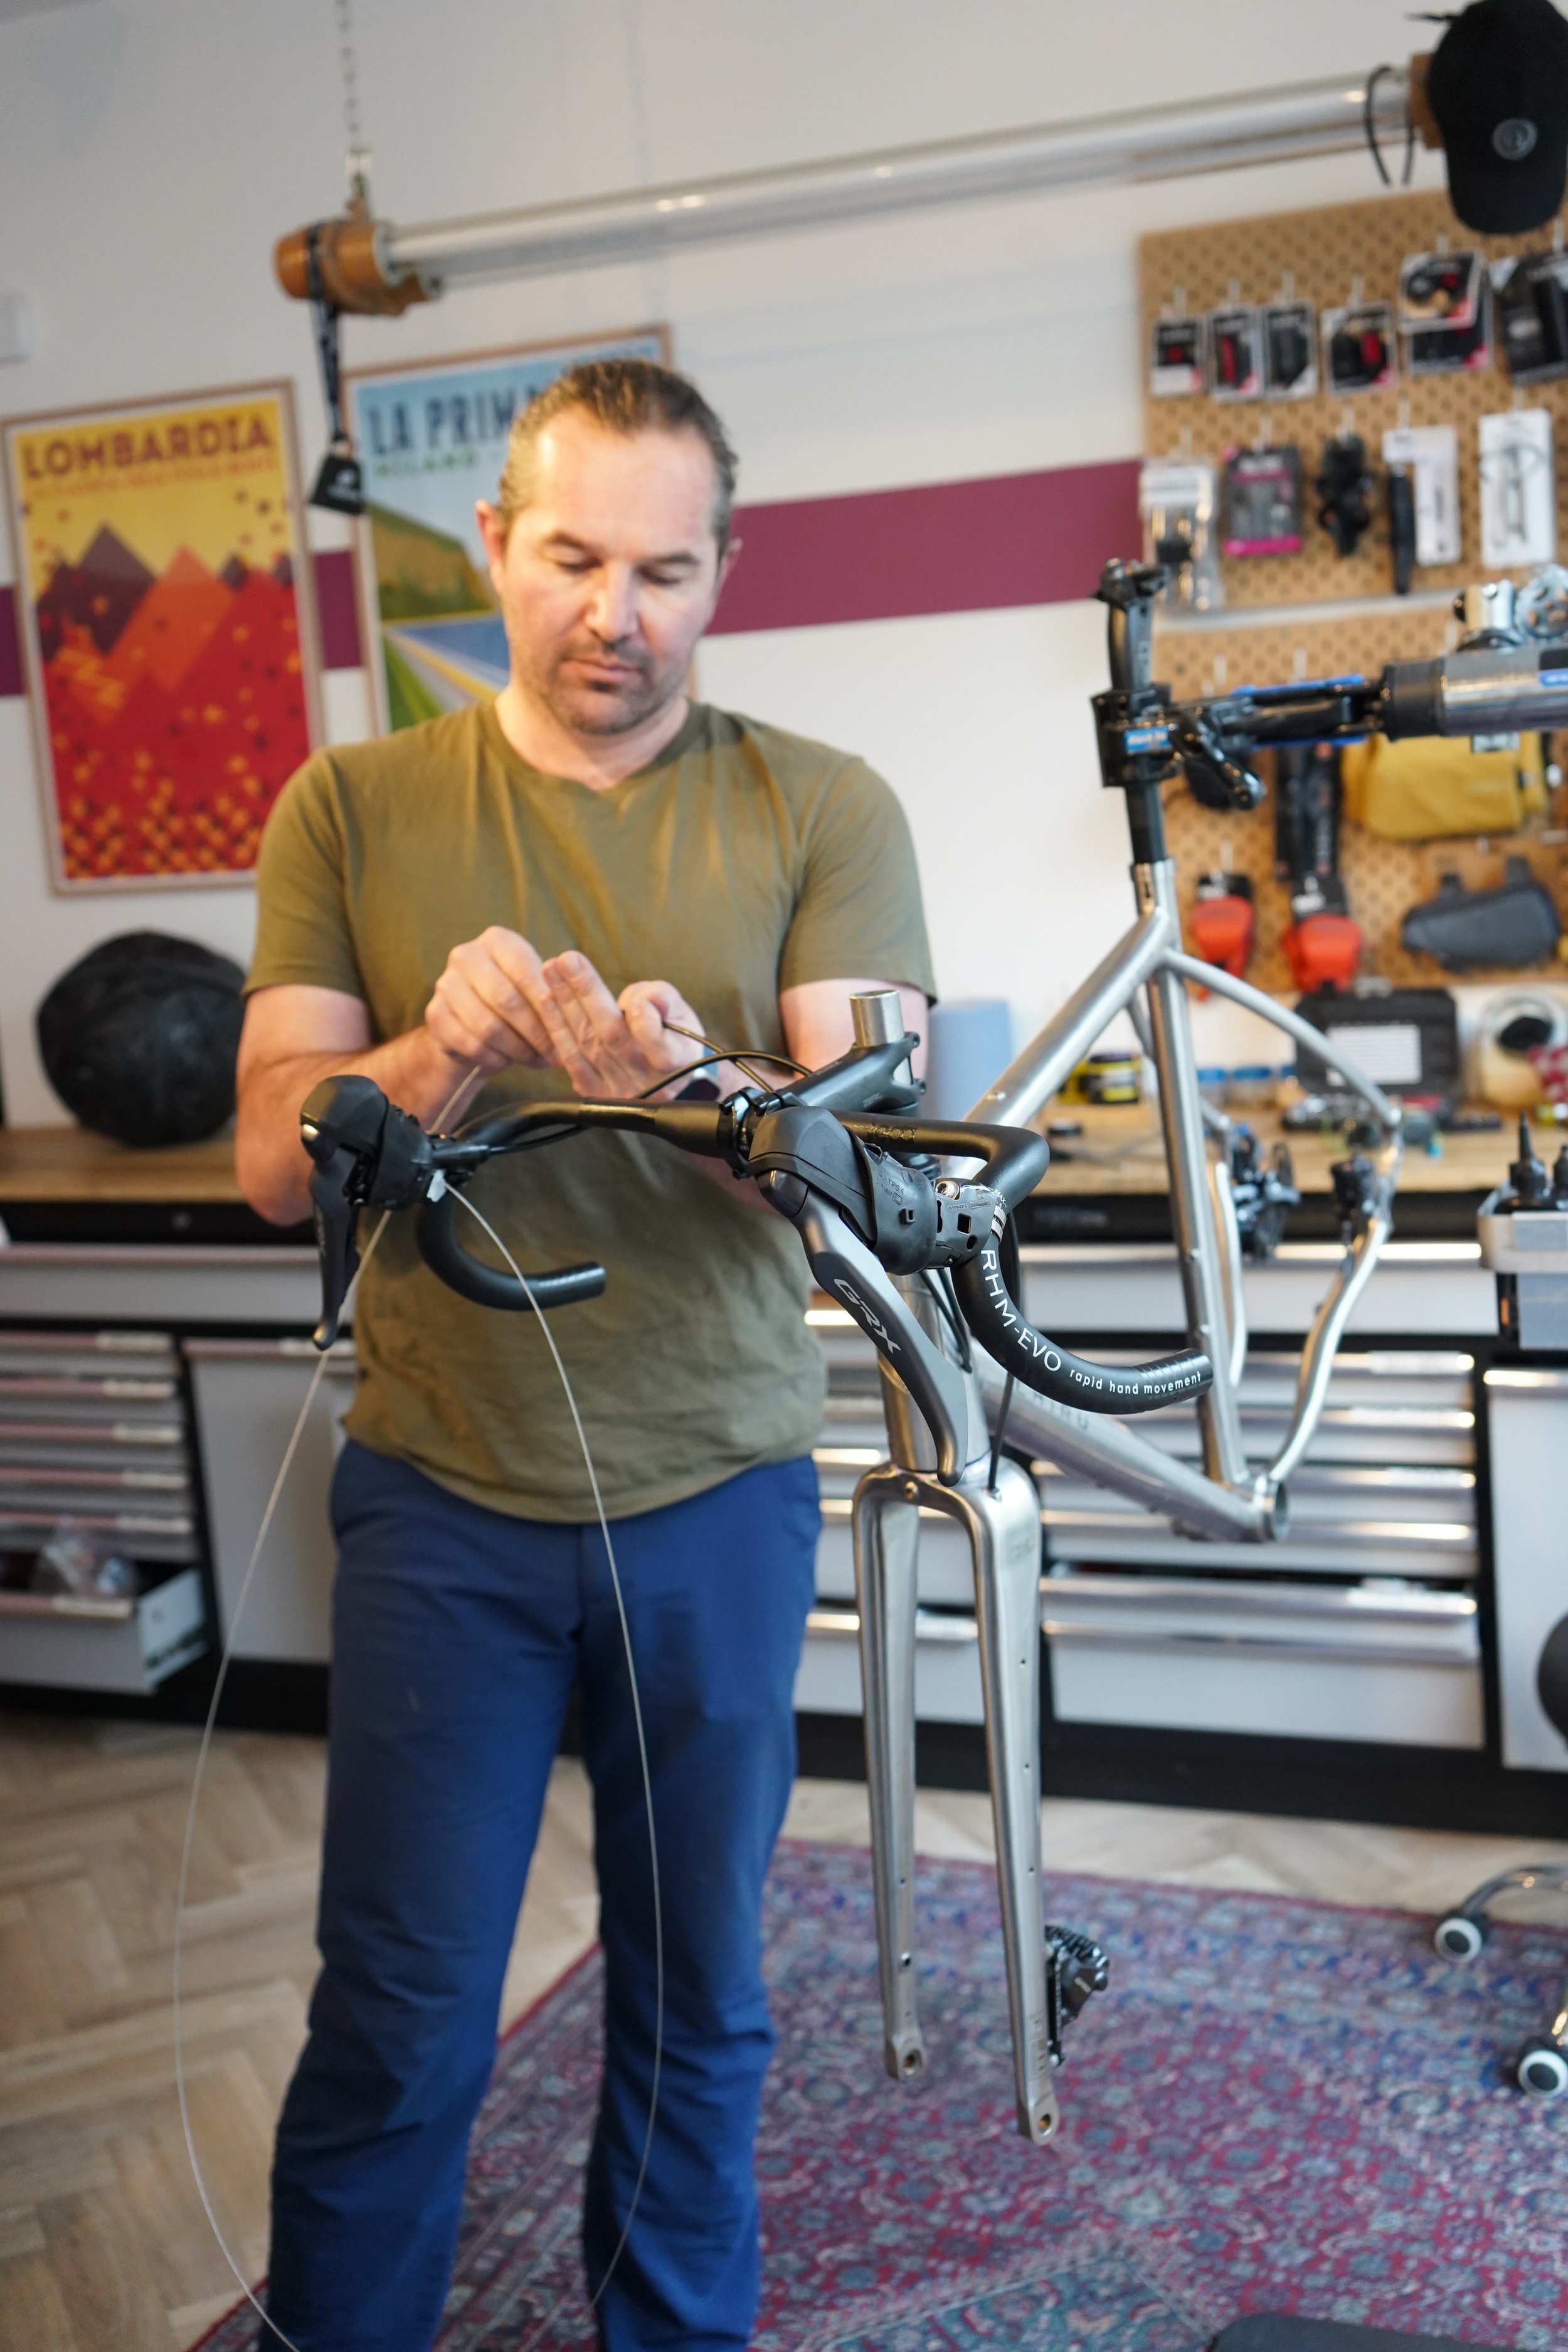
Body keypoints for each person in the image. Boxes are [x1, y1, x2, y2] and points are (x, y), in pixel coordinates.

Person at [235, 357, 935, 2352]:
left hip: (716, 1488)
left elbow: (874, 1186)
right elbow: (272, 1163)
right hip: (442, 1501)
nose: (610, 615)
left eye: (661, 568)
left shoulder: (819, 803)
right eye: (568, 560)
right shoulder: (355, 804)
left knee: (699, 1987)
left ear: (726, 571)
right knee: (396, 2002)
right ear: (494, 547)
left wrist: (711, 1093)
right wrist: (435, 1051)